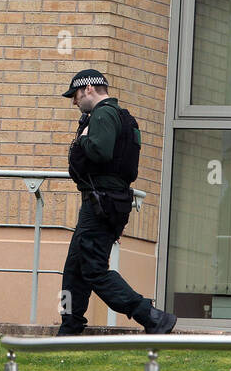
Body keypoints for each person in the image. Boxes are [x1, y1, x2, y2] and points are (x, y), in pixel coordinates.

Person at [58, 68, 176, 335]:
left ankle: (151, 315)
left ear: (89, 89)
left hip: (100, 203)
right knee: (74, 269)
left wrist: (82, 140)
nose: (74, 102)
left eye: (75, 95)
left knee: (94, 270)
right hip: (109, 203)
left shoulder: (102, 114)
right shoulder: (123, 117)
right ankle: (69, 327)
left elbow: (99, 151)